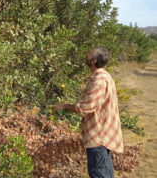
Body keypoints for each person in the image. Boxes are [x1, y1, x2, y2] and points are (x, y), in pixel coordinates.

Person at [53, 47, 123, 178]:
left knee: (98, 173)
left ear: (94, 61)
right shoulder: (105, 76)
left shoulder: (99, 80)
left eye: (89, 54)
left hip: (98, 137)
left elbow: (85, 108)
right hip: (104, 135)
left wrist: (63, 106)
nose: (86, 55)